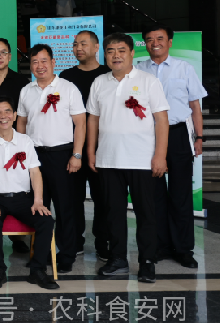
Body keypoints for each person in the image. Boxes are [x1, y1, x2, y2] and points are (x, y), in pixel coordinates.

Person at [87, 33, 169, 283]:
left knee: (146, 213)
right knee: (113, 213)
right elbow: (93, 119)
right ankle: (118, 259)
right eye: (111, 51)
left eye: (121, 50)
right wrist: (91, 151)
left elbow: (161, 120)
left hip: (142, 159)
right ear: (105, 55)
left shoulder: (148, 81)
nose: (116, 55)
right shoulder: (99, 82)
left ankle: (147, 262)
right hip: (108, 159)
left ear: (132, 53)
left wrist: (160, 156)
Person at [136, 24, 206, 269]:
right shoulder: (138, 70)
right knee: (154, 196)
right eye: (149, 39)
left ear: (170, 42)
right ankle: (160, 246)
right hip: (149, 137)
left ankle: (183, 249)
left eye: (160, 38)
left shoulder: (184, 68)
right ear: (145, 43)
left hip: (178, 135)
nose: (154, 43)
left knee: (181, 195)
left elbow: (195, 106)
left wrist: (199, 137)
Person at [0, 97, 59, 290]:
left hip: (23, 198)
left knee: (46, 220)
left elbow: (35, 173)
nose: (3, 116)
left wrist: (38, 201)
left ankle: (37, 271)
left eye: (7, 111)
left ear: (14, 116)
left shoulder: (25, 140)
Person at [16, 44, 86, 273]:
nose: (40, 66)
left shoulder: (68, 88)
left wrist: (77, 154)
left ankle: (66, 254)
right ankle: (41, 253)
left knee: (65, 207)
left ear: (53, 62)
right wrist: (21, 154)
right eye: (35, 62)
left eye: (44, 61)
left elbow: (81, 123)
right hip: (34, 157)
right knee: (38, 206)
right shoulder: (26, 90)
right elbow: (21, 123)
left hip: (62, 155)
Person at [60, 30, 111, 259]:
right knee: (72, 197)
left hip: (103, 146)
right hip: (73, 148)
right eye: (75, 44)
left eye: (83, 43)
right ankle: (75, 241)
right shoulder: (66, 77)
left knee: (104, 197)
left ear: (96, 47)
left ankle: (103, 242)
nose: (78, 48)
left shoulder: (108, 75)